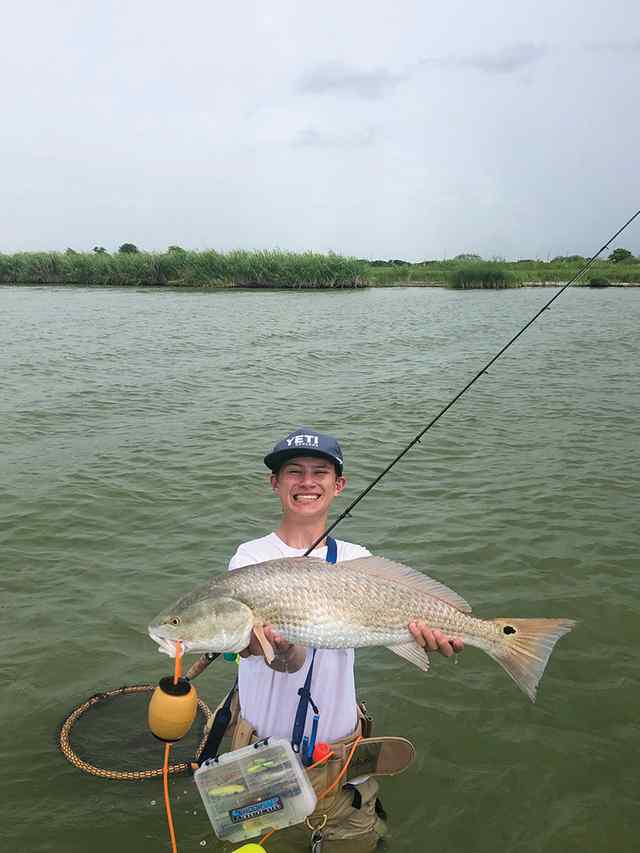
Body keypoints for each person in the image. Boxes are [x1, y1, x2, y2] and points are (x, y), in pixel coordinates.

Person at [226, 427, 463, 850]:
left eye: (320, 472)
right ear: (275, 483)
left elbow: (401, 616)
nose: (307, 482)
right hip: (261, 758)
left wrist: (436, 632)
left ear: (339, 486)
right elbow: (278, 656)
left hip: (339, 759)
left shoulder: (355, 559)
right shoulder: (250, 558)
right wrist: (264, 647)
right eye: (293, 472)